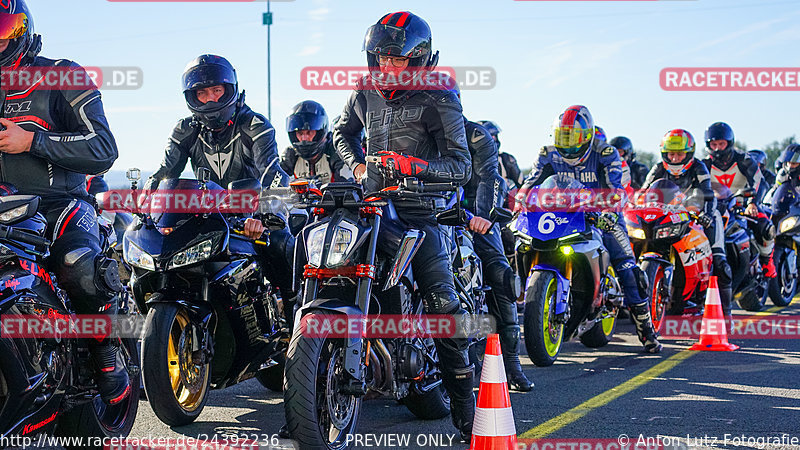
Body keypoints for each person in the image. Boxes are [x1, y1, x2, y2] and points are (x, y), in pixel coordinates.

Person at [332, 11, 475, 441]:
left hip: (419, 210)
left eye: (395, 59)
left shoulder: (440, 94)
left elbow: (462, 165)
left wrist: (416, 167)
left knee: (443, 306)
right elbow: (341, 133)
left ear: (419, 58)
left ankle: (468, 417)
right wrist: (356, 165)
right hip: (371, 205)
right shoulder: (363, 90)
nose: (386, 67)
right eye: (380, 58)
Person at [0, 0, 129, 404]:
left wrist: (32, 140)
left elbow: (104, 147)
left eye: (3, 30)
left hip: (61, 206)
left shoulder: (62, 74)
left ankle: (107, 355)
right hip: (4, 211)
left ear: (22, 29)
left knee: (79, 268)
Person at [145, 54, 297, 303]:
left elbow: (273, 174)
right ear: (191, 97)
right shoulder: (184, 130)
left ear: (230, 90)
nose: (210, 99)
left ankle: (295, 319)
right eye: (202, 93)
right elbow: (165, 172)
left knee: (281, 245)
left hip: (252, 218)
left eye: (216, 90)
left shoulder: (255, 125)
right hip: (206, 218)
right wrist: (144, 204)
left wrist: (267, 215)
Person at [518, 105, 662, 353]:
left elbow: (615, 190)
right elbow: (531, 182)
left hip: (602, 217)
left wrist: (608, 211)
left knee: (628, 269)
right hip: (561, 216)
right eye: (563, 136)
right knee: (519, 242)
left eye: (573, 137)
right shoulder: (548, 153)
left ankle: (646, 332)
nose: (568, 143)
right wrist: (519, 203)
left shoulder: (606, 153)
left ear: (587, 136)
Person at [450, 82, 532, 392]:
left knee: (499, 273)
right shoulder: (417, 136)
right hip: (427, 215)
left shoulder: (476, 135)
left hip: (473, 213)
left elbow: (489, 178)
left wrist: (481, 216)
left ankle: (511, 363)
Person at [640, 129, 733, 323]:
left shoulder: (699, 167)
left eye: (679, 154)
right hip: (666, 216)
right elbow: (644, 192)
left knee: (720, 262)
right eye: (671, 154)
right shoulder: (658, 167)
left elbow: (708, 193)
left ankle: (726, 313)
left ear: (689, 154)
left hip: (696, 213)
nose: (675, 158)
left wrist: (706, 214)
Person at [702, 122, 776, 278]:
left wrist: (753, 203)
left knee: (765, 226)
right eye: (714, 144)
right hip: (715, 207)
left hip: (743, 204)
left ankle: (767, 260)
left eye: (721, 144)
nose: (717, 148)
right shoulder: (704, 165)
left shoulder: (743, 159)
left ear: (729, 142)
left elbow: (759, 181)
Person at [476, 120, 522, 259]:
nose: (494, 140)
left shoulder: (506, 159)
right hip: (481, 212)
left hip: (506, 209)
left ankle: (513, 263)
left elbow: (522, 185)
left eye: (495, 136)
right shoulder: (470, 160)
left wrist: (516, 209)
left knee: (510, 231)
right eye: (491, 137)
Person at [280, 101, 354, 183]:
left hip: (333, 196)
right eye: (300, 133)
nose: (304, 138)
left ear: (320, 131)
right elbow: (275, 184)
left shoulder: (336, 151)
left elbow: (347, 186)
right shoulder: (290, 156)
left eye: (309, 132)